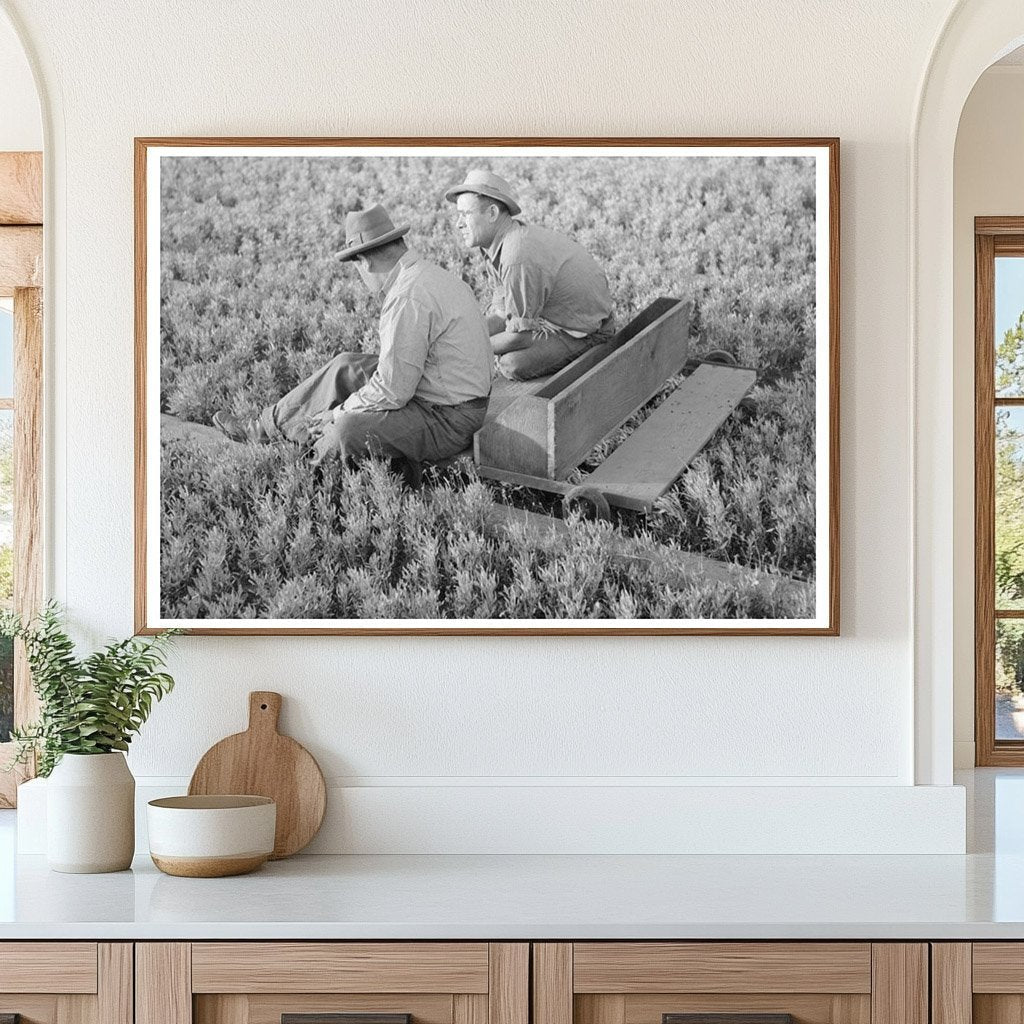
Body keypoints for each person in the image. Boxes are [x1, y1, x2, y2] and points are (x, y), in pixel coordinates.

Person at [212, 204, 493, 467]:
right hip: (443, 393)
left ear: (364, 263)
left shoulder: (407, 297)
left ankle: (298, 470)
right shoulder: (428, 275)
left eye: (356, 267)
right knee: (345, 365)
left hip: (450, 418)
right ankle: (264, 429)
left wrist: (337, 413)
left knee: (346, 432)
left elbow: (394, 392)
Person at [444, 168, 616, 381]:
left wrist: (465, 352)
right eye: (458, 215)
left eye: (466, 214)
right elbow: (501, 313)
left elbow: (520, 338)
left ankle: (581, 353)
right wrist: (459, 338)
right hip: (567, 320)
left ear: (492, 213)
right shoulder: (496, 245)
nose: (459, 223)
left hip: (591, 331)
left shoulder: (516, 254)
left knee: (510, 364)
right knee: (483, 345)